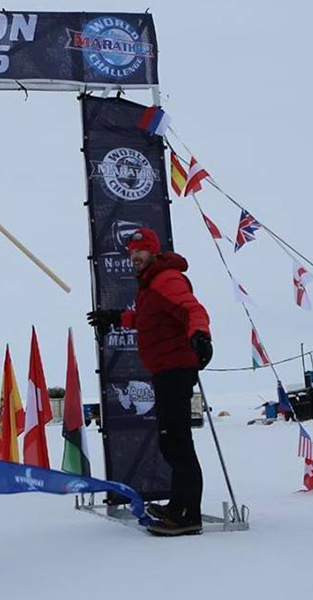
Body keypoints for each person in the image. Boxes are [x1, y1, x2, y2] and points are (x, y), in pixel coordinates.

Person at [87, 227, 212, 537]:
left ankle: (188, 515)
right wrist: (116, 318)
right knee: (171, 440)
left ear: (153, 251)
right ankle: (178, 505)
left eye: (139, 251)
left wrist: (200, 335)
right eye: (131, 252)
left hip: (176, 370)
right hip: (166, 371)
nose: (134, 257)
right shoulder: (151, 283)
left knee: (176, 443)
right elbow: (147, 319)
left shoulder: (166, 279)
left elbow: (193, 310)